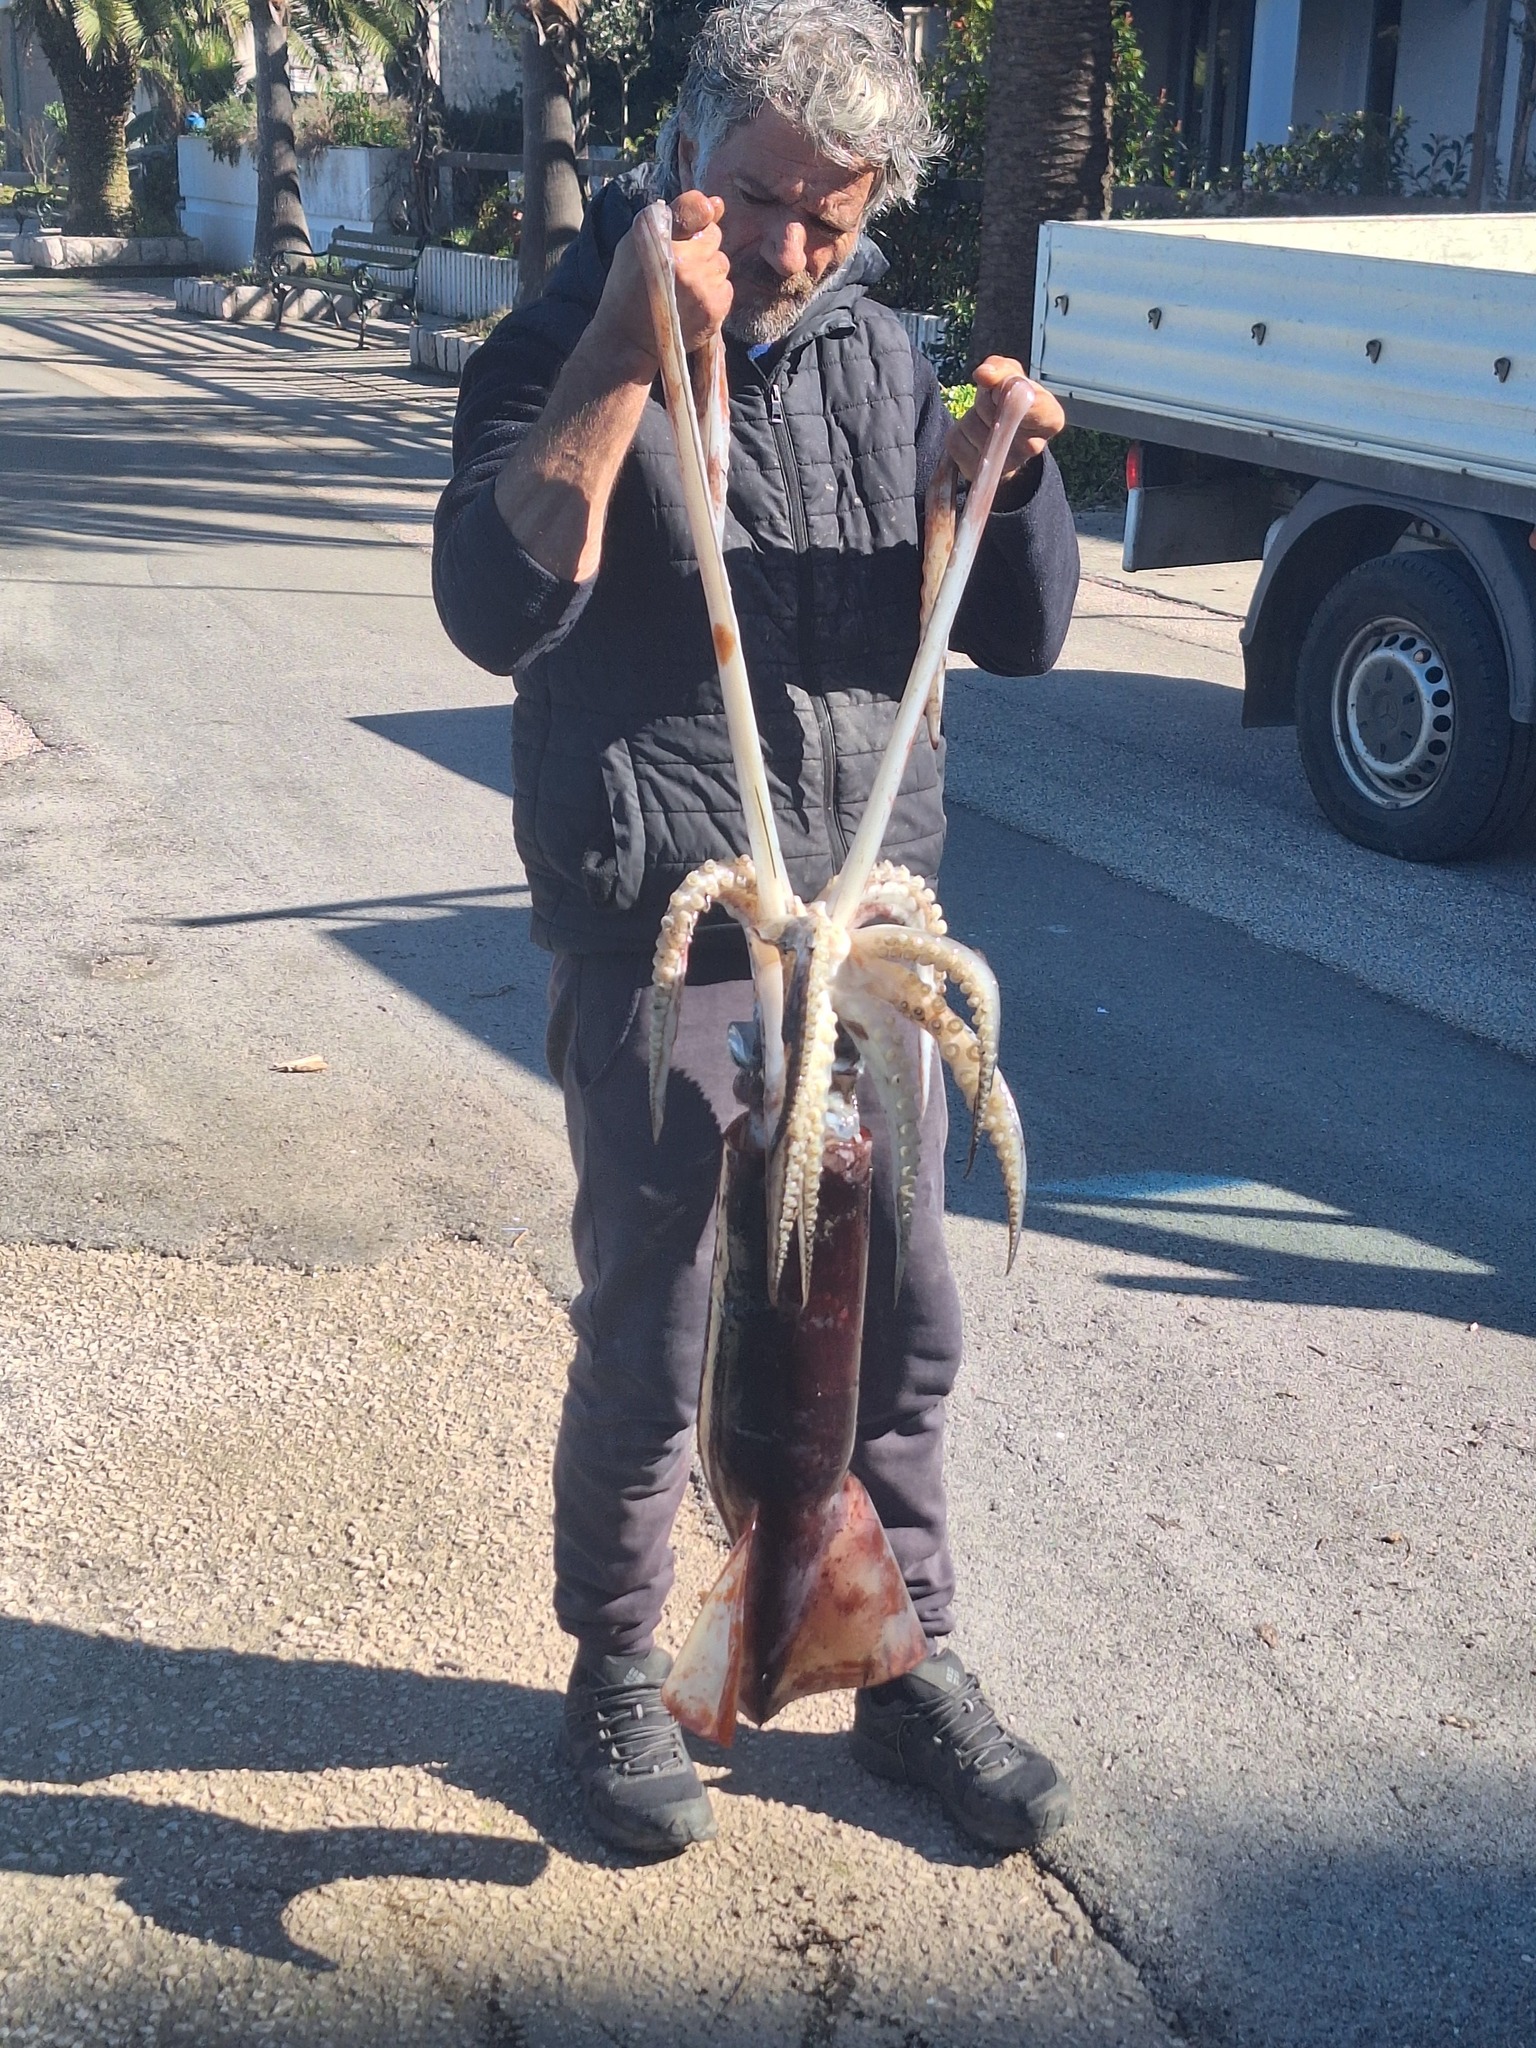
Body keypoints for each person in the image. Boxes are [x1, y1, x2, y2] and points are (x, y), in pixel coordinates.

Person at [434, 0, 1080, 1859]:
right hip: (672, 932)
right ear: (678, 154)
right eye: (761, 195)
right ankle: (617, 1667)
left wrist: (1011, 479)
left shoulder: (889, 360)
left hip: (861, 948)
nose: (793, 244)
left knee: (901, 1333)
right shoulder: (552, 338)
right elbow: (491, 604)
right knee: (660, 1333)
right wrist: (626, 356)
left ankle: (897, 1663)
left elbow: (1018, 631)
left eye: (836, 209)